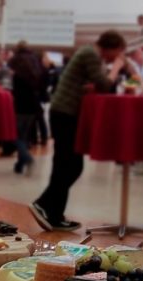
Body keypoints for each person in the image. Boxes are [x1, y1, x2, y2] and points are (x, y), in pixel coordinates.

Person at [29, 30, 127, 232]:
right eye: (117, 53)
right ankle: (44, 203)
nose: (117, 57)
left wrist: (90, 86)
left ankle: (54, 215)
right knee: (71, 165)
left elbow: (92, 83)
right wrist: (116, 68)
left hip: (63, 112)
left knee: (65, 164)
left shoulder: (88, 53)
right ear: (111, 47)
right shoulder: (90, 54)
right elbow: (105, 84)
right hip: (66, 114)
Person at [8, 41, 43, 175]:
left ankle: (28, 159)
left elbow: (12, 86)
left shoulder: (15, 63)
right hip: (33, 105)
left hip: (19, 105)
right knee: (23, 137)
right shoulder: (35, 62)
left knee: (13, 136)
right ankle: (19, 165)